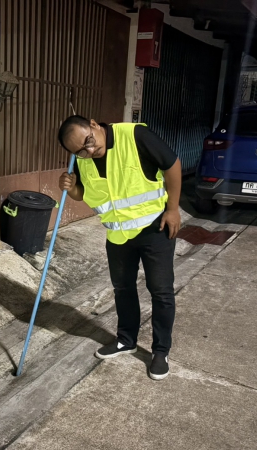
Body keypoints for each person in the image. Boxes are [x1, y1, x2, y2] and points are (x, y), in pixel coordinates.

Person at [57, 115, 182, 380]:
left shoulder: (135, 136)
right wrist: (72, 188)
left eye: (88, 141)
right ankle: (126, 340)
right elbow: (87, 193)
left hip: (154, 227)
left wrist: (173, 210)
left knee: (160, 291)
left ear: (94, 124)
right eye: (81, 151)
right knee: (123, 289)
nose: (89, 150)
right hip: (118, 235)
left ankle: (161, 352)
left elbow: (172, 165)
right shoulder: (82, 159)